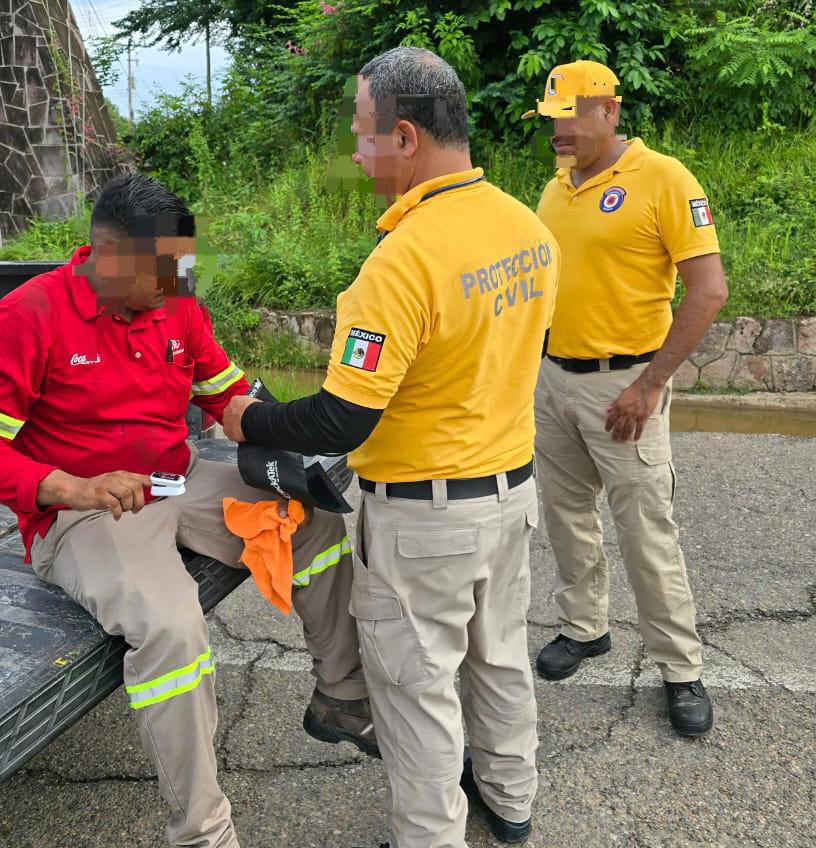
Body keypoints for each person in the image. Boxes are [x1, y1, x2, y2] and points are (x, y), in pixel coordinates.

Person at [0, 173, 377, 848]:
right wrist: (71, 488)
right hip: (86, 514)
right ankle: (204, 832)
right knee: (172, 629)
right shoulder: (28, 316)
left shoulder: (176, 309)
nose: (179, 281)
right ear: (108, 254)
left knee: (317, 526)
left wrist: (309, 430)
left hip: (178, 480)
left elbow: (227, 401)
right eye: (165, 268)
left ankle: (341, 699)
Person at [223, 47, 559, 847]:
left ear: (405, 137)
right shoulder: (528, 228)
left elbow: (343, 421)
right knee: (501, 658)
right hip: (511, 496)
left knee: (417, 694)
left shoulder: (401, 261)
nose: (355, 150)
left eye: (362, 133)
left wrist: (248, 421)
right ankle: (511, 803)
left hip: (422, 523)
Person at [523, 61, 728, 737]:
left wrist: (648, 385)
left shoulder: (664, 179)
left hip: (627, 387)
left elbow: (708, 291)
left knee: (646, 530)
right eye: (550, 120)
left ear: (608, 110)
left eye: (570, 118)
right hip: (554, 380)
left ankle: (680, 667)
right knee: (565, 514)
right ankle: (585, 628)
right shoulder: (555, 189)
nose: (558, 132)